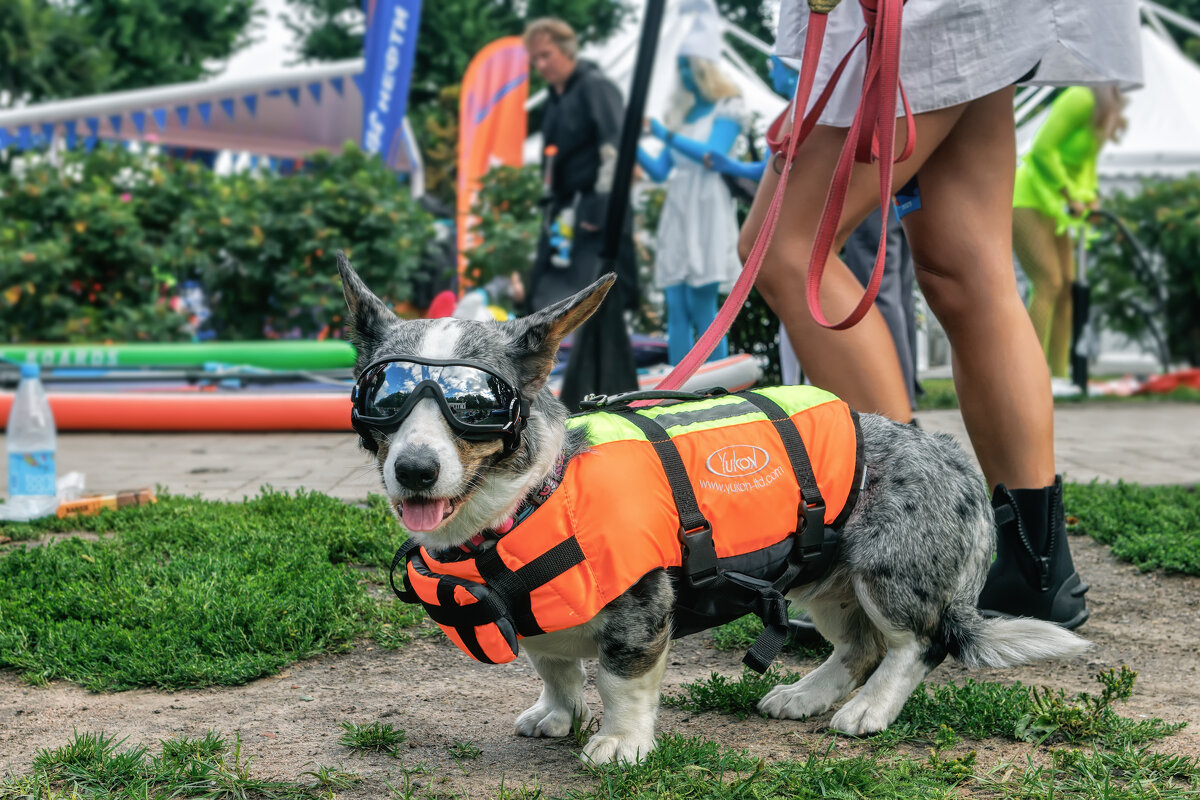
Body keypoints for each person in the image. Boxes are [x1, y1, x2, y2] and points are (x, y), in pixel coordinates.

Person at [741, 0, 1142, 628]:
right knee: (966, 270)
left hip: (913, 19)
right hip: (975, 19)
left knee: (788, 249)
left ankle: (905, 544)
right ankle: (1033, 572)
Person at [706, 57, 919, 409]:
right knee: (954, 277)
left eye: (775, 65)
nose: (773, 70)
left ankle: (895, 442)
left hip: (875, 75)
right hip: (944, 66)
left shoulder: (818, 78)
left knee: (783, 252)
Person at [524, 18, 638, 409]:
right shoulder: (556, 99)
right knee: (546, 295)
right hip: (564, 213)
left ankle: (603, 392)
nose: (540, 64)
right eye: (534, 58)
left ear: (567, 50)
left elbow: (615, 147)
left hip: (596, 212)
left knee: (594, 300)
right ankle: (554, 390)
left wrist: (601, 207)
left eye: (546, 54)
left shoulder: (595, 87)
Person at [637, 11, 745, 365]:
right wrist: (628, 142)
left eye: (689, 67)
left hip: (708, 207)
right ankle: (677, 387)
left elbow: (712, 154)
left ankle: (716, 384)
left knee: (702, 303)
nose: (683, 75)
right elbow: (658, 171)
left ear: (705, 68)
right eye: (680, 67)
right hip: (679, 207)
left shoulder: (727, 107)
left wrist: (665, 134)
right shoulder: (681, 116)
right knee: (675, 303)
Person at [1013, 86, 1127, 386]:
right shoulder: (1080, 97)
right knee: (1047, 282)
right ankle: (1031, 377)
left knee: (1067, 287)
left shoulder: (1107, 106)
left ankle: (1061, 377)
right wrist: (1068, 191)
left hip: (1058, 207)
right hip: (1028, 198)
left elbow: (1087, 163)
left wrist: (1089, 196)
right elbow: (1042, 150)